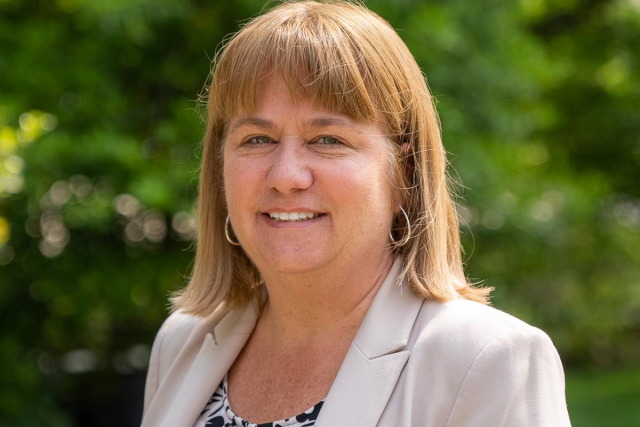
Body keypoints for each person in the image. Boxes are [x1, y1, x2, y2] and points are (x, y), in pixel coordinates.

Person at [140, 1, 572, 426]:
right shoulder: (181, 343)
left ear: (403, 173)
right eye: (257, 139)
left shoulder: (488, 360)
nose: (286, 176)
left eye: (327, 139)